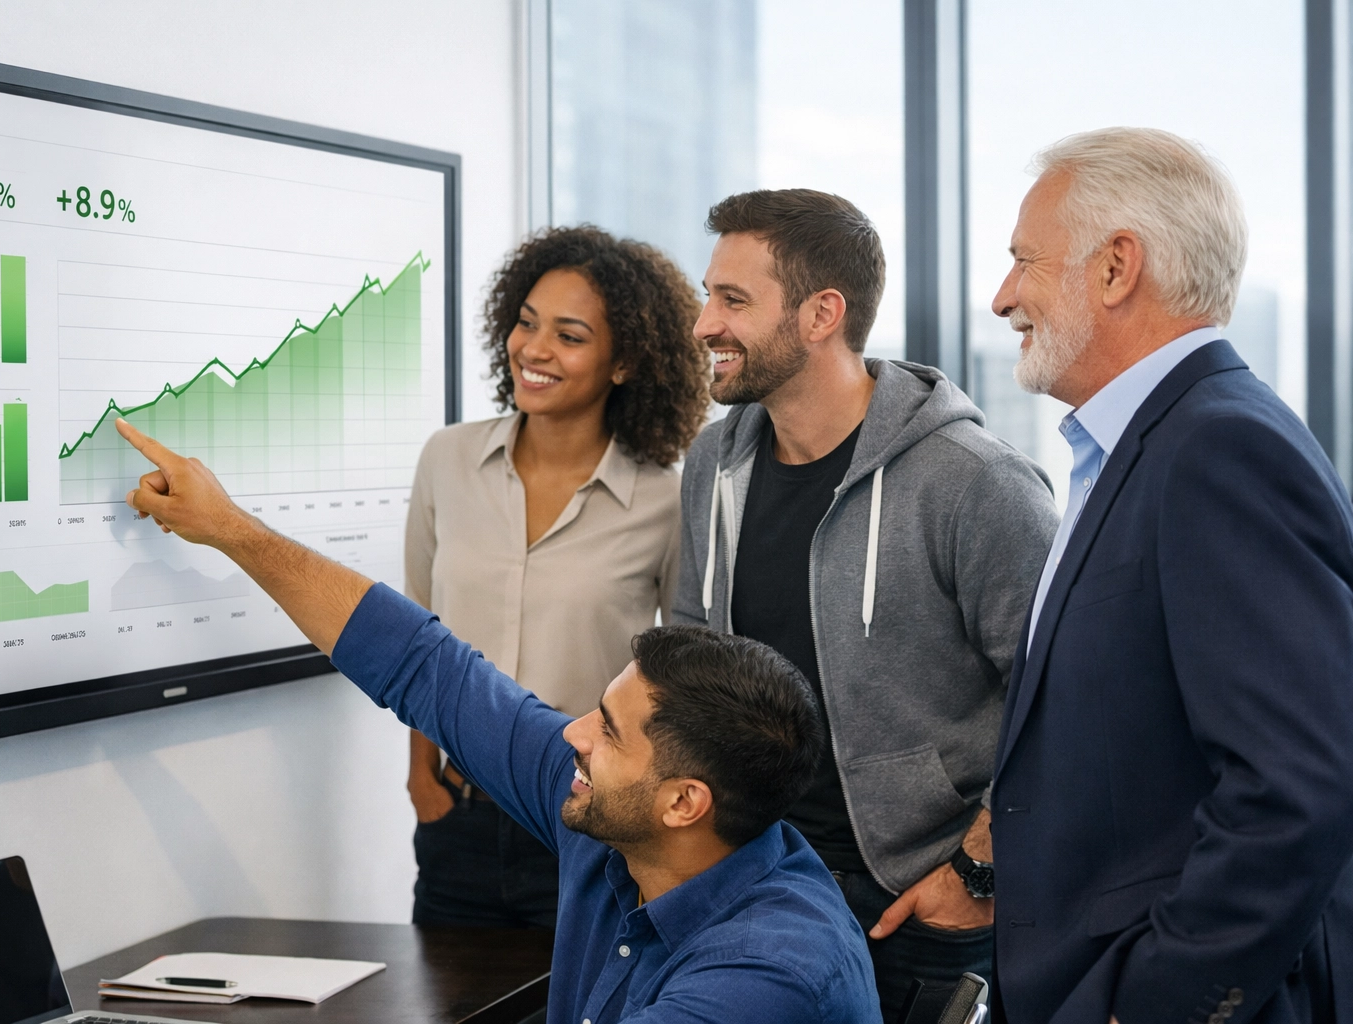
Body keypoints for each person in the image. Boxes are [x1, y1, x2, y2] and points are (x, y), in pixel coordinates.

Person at [111, 417, 885, 1024]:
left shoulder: (767, 974)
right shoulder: (631, 827)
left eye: (608, 732)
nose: (574, 735)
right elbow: (426, 666)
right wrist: (231, 529)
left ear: (684, 801)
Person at [989, 127, 1353, 1023]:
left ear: (1117, 268)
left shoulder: (1219, 448)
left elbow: (1297, 783)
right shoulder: (1143, 448)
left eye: (1024, 262)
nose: (1002, 299)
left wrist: (1157, 1000)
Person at [674, 188, 1059, 1018]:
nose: (705, 324)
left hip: (916, 907)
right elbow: (691, 660)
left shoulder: (974, 482)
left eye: (732, 300)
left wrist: (976, 871)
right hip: (759, 888)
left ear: (822, 314)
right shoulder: (715, 463)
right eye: (710, 295)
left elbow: (1065, 703)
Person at [403, 226, 707, 929]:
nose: (534, 350)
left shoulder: (664, 499)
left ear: (624, 361)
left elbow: (686, 674)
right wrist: (422, 777)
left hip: (589, 826)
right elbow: (419, 629)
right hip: (457, 817)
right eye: (527, 323)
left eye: (569, 336)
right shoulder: (447, 460)